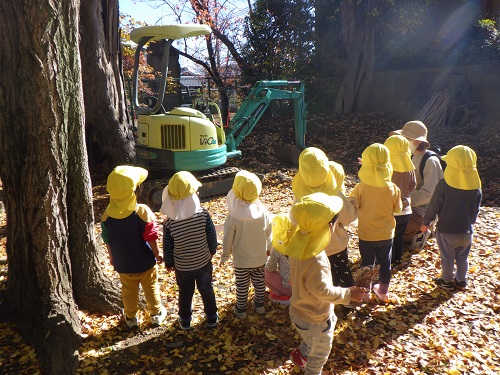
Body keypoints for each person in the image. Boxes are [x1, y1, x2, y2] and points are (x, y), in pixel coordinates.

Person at [272, 192, 369, 375]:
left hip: (300, 309)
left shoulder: (298, 242)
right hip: (314, 317)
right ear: (327, 226)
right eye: (334, 222)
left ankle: (300, 355)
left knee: (313, 337)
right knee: (320, 352)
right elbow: (322, 290)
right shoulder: (315, 259)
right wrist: (349, 294)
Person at [101, 166, 167, 329]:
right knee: (151, 288)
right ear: (136, 191)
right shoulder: (142, 211)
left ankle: (131, 317)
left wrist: (111, 257)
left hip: (123, 265)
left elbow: (107, 239)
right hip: (145, 262)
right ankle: (156, 314)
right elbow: (151, 236)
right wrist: (157, 254)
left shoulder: (106, 215)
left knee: (128, 292)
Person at [292, 147, 358, 287]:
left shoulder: (300, 197)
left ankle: (326, 302)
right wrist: (354, 204)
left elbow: (294, 220)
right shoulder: (335, 194)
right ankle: (348, 299)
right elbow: (348, 218)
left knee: (322, 277)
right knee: (343, 271)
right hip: (337, 245)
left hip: (313, 248)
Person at [162, 171, 219, 330]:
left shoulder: (170, 223)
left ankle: (185, 320)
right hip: (203, 262)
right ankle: (212, 317)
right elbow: (211, 235)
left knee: (185, 293)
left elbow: (167, 245)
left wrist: (169, 262)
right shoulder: (203, 215)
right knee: (207, 290)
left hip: (183, 267)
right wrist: (212, 250)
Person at [420, 145, 482, 291]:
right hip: (466, 232)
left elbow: (434, 205)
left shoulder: (444, 185)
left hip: (446, 231)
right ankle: (461, 280)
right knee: (462, 257)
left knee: (447, 258)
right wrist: (470, 224)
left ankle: (447, 280)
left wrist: (426, 222)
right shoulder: (476, 188)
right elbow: (475, 210)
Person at [349, 143, 402, 302]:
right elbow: (398, 209)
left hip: (366, 233)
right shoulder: (393, 188)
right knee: (385, 262)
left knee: (366, 264)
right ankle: (383, 291)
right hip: (386, 233)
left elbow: (353, 205)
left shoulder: (360, 187)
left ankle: (364, 292)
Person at [221, 170, 272, 318]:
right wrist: (269, 248)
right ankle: (259, 305)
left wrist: (225, 255)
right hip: (259, 258)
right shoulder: (263, 212)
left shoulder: (233, 217)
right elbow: (269, 232)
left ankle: (241, 310)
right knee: (259, 283)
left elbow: (227, 238)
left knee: (242, 286)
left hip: (242, 261)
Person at [391, 121, 444, 246]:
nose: (403, 141)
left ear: (418, 142)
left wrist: (402, 200)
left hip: (422, 211)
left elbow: (430, 193)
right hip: (405, 205)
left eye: (407, 138)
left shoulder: (431, 161)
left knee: (398, 227)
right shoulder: (408, 156)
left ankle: (424, 231)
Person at [384, 135, 417, 265]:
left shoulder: (387, 168)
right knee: (399, 236)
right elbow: (413, 187)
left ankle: (386, 261)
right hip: (406, 210)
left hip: (390, 209)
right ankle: (397, 259)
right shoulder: (409, 167)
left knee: (387, 237)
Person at [266, 224, 292, 304]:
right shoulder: (300, 244)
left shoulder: (278, 247)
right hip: (305, 287)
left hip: (289, 287)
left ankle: (280, 294)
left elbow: (270, 268)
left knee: (264, 270)